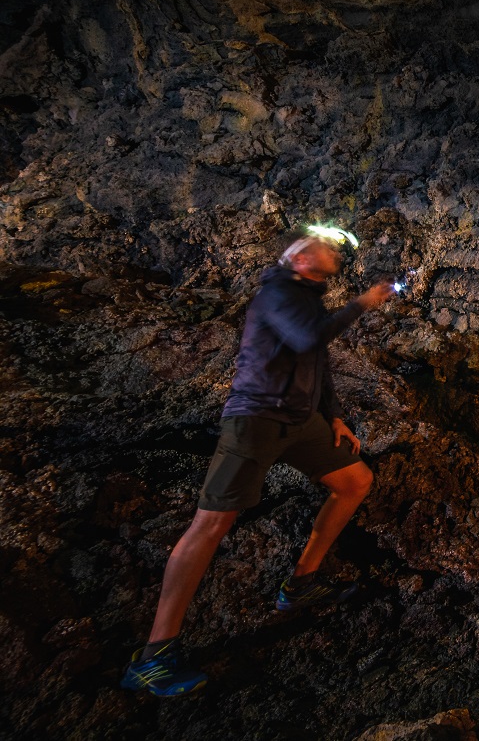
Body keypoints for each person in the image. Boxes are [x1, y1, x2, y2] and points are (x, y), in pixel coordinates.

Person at [121, 228, 395, 697]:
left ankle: (300, 584)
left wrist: (333, 415)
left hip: (300, 422)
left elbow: (316, 360)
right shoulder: (276, 294)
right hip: (256, 420)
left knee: (354, 481)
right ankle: (153, 657)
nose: (332, 250)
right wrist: (362, 303)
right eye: (322, 245)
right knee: (210, 524)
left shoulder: (306, 297)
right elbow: (307, 339)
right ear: (299, 258)